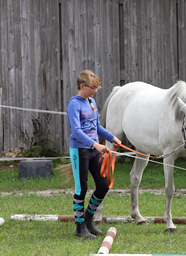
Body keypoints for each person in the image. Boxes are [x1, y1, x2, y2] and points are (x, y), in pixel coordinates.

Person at [67, 70, 121, 239]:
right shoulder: (74, 104)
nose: (95, 90)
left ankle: (88, 219)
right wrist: (96, 144)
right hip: (79, 150)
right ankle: (80, 227)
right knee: (81, 188)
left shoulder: (91, 101)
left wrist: (112, 137)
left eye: (97, 88)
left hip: (93, 150)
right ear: (82, 86)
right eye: (93, 88)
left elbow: (96, 127)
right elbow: (76, 131)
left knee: (103, 185)